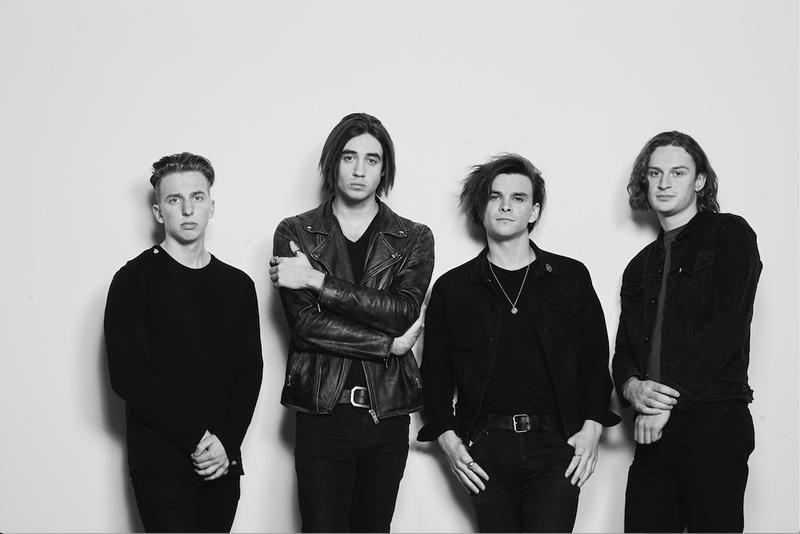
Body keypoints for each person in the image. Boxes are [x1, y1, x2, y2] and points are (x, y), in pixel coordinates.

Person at [418, 153, 620, 533]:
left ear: (534, 211)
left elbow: (594, 360)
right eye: (494, 197)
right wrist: (448, 440)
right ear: (481, 208)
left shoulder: (570, 277)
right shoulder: (453, 288)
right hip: (485, 447)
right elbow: (435, 374)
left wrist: (592, 429)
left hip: (557, 444)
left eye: (518, 197)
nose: (506, 206)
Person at [269, 112, 434, 533]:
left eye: (372, 160)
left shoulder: (413, 237)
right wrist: (386, 345)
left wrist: (317, 281)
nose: (360, 170)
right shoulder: (297, 232)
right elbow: (306, 326)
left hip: (386, 416)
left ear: (384, 169)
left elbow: (401, 312)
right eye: (349, 157)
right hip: (322, 414)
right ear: (332, 163)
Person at [104, 152, 263, 532]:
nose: (188, 209)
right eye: (175, 200)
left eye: (197, 197)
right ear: (158, 212)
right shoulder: (133, 280)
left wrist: (225, 444)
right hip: (161, 461)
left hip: (221, 461)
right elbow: (128, 376)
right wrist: (198, 438)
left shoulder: (238, 286)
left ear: (211, 206)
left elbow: (248, 373)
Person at [612, 131, 762, 532]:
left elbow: (727, 325)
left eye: (678, 172)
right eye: (655, 173)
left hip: (713, 417)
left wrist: (666, 400)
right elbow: (624, 349)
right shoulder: (639, 266)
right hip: (652, 427)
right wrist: (631, 387)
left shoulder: (730, 234)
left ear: (699, 181)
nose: (664, 183)